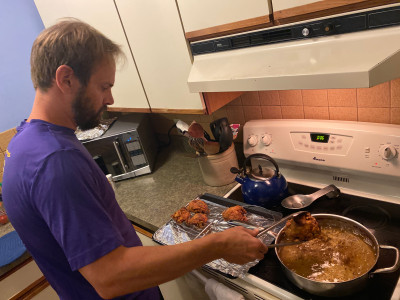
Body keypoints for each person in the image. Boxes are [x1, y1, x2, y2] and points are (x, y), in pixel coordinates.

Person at [2, 20, 268, 300]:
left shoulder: (23, 144)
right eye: (104, 86)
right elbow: (110, 278)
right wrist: (218, 245)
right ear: (66, 79)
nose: (110, 98)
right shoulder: (56, 161)